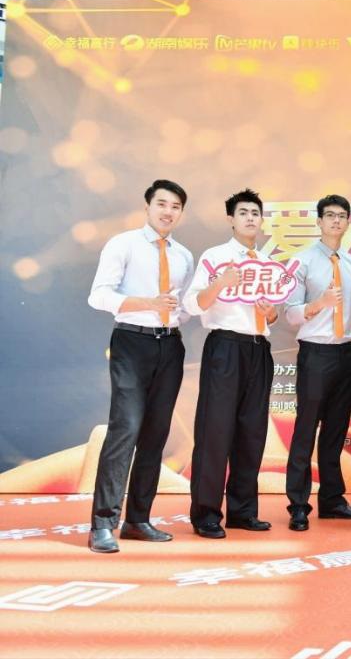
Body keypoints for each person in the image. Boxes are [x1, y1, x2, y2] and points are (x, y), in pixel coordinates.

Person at [86, 179, 194, 553]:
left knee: (156, 433)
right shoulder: (124, 244)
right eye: (162, 204)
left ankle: (138, 520)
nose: (168, 212)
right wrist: (148, 303)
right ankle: (102, 523)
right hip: (132, 341)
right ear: (147, 206)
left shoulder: (183, 256)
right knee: (126, 428)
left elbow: (183, 306)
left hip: (171, 345)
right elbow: (98, 296)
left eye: (176, 206)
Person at [183, 188, 279, 538]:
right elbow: (193, 304)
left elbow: (273, 316)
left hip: (259, 349)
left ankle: (242, 511)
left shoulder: (268, 263)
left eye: (255, 213)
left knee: (252, 432)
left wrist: (271, 312)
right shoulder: (216, 256)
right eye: (243, 212)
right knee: (215, 431)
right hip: (225, 347)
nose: (250, 218)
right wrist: (222, 282)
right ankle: (206, 514)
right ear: (231, 219)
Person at [283, 195, 351, 531]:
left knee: (336, 430)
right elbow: (290, 314)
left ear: (348, 222)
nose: (336, 221)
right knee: (306, 429)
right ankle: (298, 505)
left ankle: (332, 500)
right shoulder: (302, 261)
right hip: (315, 352)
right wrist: (319, 303)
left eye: (342, 216)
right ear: (318, 221)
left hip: (346, 354)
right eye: (330, 215)